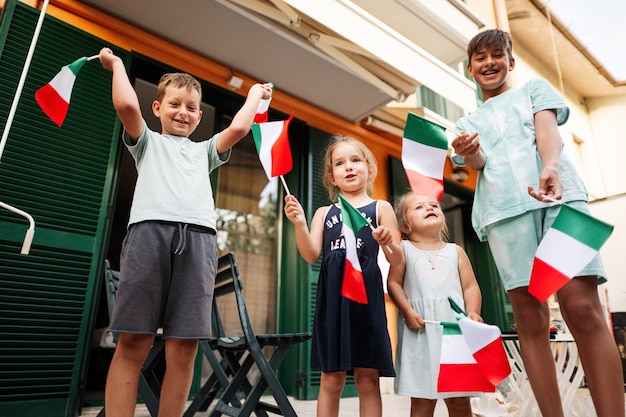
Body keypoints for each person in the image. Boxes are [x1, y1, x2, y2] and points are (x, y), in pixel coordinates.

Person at [451, 29, 624, 417]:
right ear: (470, 69)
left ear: (511, 62)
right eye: (480, 57)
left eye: (498, 54)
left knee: (581, 307)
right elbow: (476, 163)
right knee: (529, 319)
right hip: (503, 214)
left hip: (559, 200)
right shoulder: (464, 122)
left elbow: (549, 133)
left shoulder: (535, 90)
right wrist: (472, 151)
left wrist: (549, 167)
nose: (489, 62)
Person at [98, 47, 273, 417]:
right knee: (134, 342)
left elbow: (240, 127)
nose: (184, 112)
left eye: (192, 107)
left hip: (199, 243)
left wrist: (255, 95)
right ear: (158, 108)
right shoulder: (147, 141)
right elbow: (128, 107)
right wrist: (115, 65)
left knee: (185, 346)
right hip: (149, 236)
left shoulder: (206, 151)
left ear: (199, 116)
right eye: (175, 104)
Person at [283, 135, 403, 417]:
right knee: (332, 378)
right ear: (331, 177)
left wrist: (388, 241)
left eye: (355, 160)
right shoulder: (324, 213)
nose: (348, 167)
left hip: (366, 302)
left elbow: (397, 259)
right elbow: (311, 254)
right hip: (333, 303)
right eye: (340, 163)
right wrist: (299, 223)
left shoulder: (380, 208)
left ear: (369, 170)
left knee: (367, 378)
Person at [387, 192, 483, 417]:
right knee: (422, 402)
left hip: (455, 334)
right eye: (419, 207)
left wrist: (473, 312)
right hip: (420, 333)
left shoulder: (455, 251)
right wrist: (407, 311)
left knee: (460, 400)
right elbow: (393, 283)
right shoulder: (403, 250)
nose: (429, 208)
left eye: (434, 205)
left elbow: (470, 287)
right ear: (406, 225)